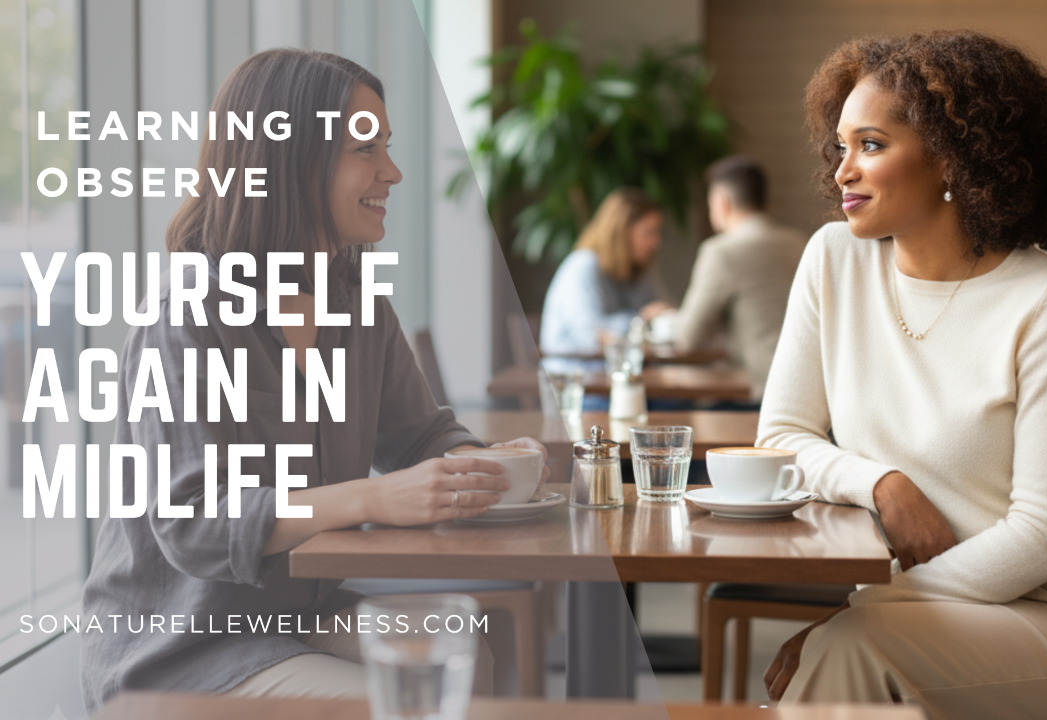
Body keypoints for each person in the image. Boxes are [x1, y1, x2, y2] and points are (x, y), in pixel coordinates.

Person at [81, 49, 547, 711]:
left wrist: (486, 466)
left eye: (387, 146)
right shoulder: (187, 314)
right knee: (411, 697)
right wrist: (372, 499)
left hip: (292, 619)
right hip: (180, 650)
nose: (393, 172)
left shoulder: (356, 303)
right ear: (290, 161)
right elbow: (194, 521)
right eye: (366, 150)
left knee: (463, 653)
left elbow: (422, 437)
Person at [757, 31, 1047, 720]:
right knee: (855, 651)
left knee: (850, 651)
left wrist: (862, 610)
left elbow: (1044, 541)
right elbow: (782, 436)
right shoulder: (833, 261)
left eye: (871, 145)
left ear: (954, 159)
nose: (843, 170)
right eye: (841, 146)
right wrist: (881, 484)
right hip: (913, 618)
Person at [671, 156, 807, 402]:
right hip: (809, 390)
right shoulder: (801, 243)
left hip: (759, 395)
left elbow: (688, 338)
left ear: (722, 203)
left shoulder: (721, 252)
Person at [539, 188, 672, 354]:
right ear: (620, 232)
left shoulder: (638, 271)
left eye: (657, 233)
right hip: (577, 374)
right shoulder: (583, 266)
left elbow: (661, 315)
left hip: (619, 370)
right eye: (648, 233)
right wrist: (642, 318)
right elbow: (591, 336)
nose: (655, 243)